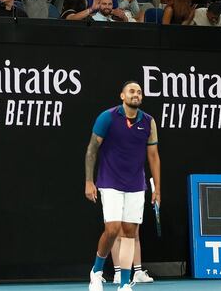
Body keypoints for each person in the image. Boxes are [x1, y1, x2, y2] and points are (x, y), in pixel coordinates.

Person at [85, 81, 161, 291]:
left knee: (129, 232)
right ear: (122, 96)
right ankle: (97, 272)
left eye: (138, 92)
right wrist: (89, 181)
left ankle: (125, 284)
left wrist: (157, 189)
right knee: (112, 229)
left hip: (136, 184)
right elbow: (92, 150)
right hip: (109, 182)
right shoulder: (107, 117)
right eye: (131, 91)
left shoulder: (148, 122)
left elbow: (153, 156)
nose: (135, 94)